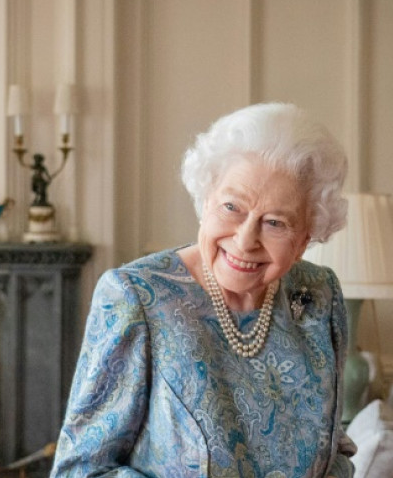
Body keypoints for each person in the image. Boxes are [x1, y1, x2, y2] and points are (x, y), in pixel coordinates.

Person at [51, 103, 356, 477]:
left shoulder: (318, 295)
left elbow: (334, 453)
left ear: (305, 239)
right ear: (206, 199)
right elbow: (80, 470)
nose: (245, 240)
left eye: (275, 223)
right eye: (231, 207)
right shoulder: (137, 297)